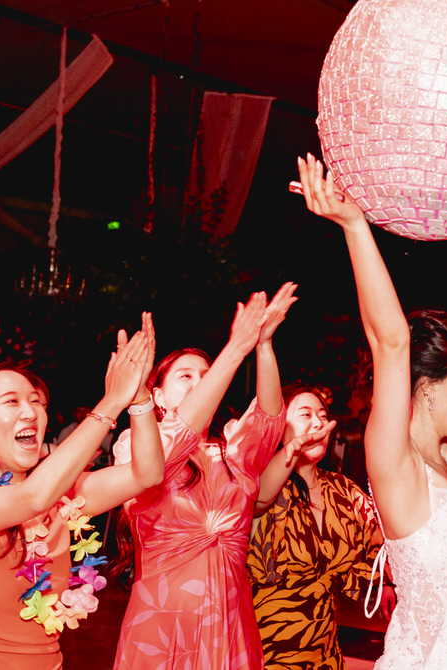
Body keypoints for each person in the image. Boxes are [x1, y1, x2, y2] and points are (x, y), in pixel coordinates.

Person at [299, 154, 447, 669]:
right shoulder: (396, 462)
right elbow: (391, 341)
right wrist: (355, 225)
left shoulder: (446, 458)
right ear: (429, 384)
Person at [0, 315, 164, 669]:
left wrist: (137, 397)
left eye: (36, 401)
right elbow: (31, 498)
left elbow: (147, 474)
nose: (30, 412)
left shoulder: (63, 498)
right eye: (11, 402)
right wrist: (111, 402)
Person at [111, 285, 296, 670]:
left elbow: (270, 419)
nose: (200, 382)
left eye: (208, 376)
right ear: (157, 396)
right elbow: (177, 438)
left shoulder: (234, 451)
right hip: (163, 621)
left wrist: (263, 345)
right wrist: (235, 348)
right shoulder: (136, 446)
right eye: (185, 376)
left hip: (230, 620)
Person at [247, 383, 377, 670]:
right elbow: (257, 501)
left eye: (322, 415)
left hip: (326, 653)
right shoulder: (261, 487)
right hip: (268, 653)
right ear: (277, 426)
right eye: (305, 415)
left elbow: (384, 534)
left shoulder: (342, 490)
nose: (318, 423)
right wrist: (292, 451)